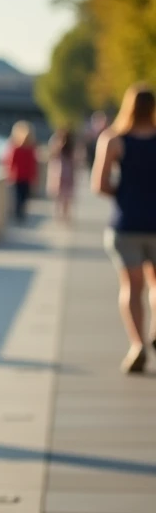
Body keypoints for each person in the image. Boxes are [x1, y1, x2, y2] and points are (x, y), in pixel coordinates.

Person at [91, 83, 156, 374]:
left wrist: (125, 193)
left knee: (131, 286)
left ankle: (137, 344)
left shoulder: (114, 139)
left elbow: (100, 184)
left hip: (126, 223)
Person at [1, 121, 39, 223]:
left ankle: (19, 214)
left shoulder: (21, 149)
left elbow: (9, 163)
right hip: (20, 177)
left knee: (22, 197)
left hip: (21, 177)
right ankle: (19, 214)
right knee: (21, 197)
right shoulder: (27, 149)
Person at [46, 127, 77, 222]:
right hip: (59, 172)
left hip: (64, 172)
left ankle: (64, 215)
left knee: (65, 196)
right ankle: (60, 215)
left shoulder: (70, 147)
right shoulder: (57, 144)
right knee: (60, 195)